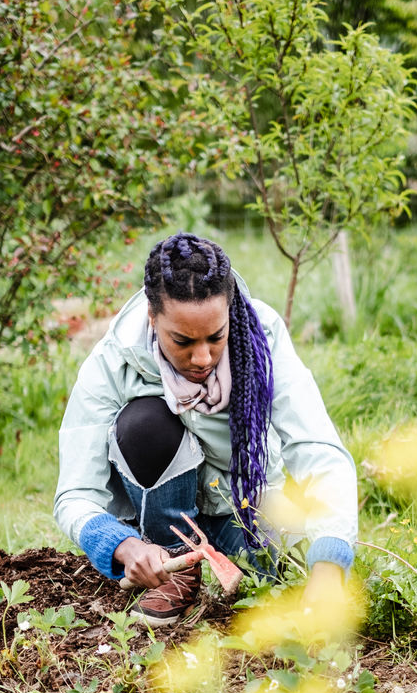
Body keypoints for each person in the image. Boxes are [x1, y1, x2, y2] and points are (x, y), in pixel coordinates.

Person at [54, 232, 357, 627]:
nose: (202, 358)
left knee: (293, 576)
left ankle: (239, 556)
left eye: (216, 337)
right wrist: (122, 545)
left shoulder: (261, 336)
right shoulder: (114, 360)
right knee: (144, 423)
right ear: (152, 318)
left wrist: (329, 564)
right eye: (182, 341)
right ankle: (175, 568)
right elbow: (75, 494)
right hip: (159, 518)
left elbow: (317, 448)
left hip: (244, 504)